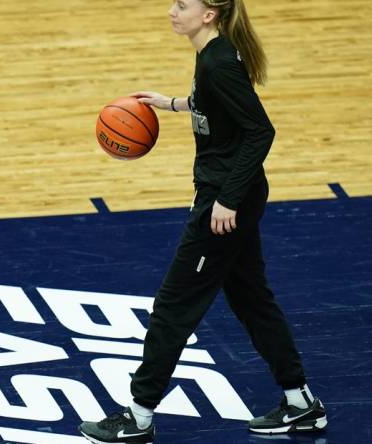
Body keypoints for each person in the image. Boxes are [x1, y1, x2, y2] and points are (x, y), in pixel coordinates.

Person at [79, 0, 327, 442]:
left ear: (209, 14)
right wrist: (172, 103)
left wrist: (227, 200)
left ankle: (137, 418)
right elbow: (217, 108)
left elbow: (259, 131)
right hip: (235, 196)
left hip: (224, 204)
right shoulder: (213, 55)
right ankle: (300, 403)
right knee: (253, 300)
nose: (172, 10)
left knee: (173, 308)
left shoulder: (218, 64)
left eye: (182, 4)